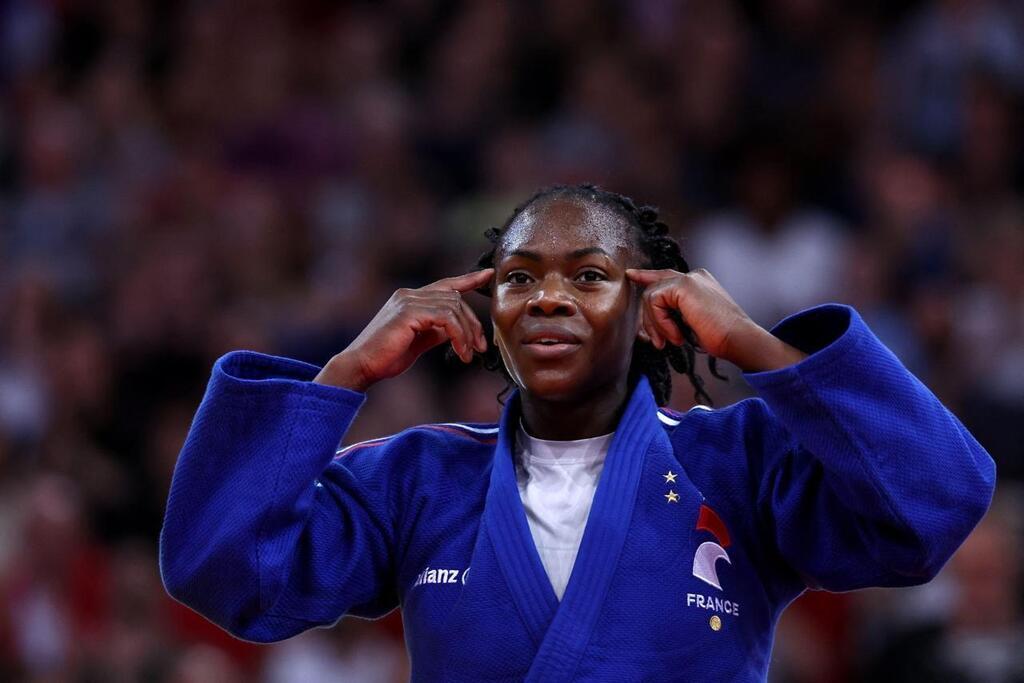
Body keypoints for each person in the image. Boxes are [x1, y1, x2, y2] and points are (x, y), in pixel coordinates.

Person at [160, 184, 995, 681]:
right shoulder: (418, 477)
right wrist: (343, 373)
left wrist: (752, 343)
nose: (548, 297)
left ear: (651, 311)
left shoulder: (736, 464)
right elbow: (224, 568)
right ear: (492, 315)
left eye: (590, 276)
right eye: (520, 278)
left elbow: (932, 505)